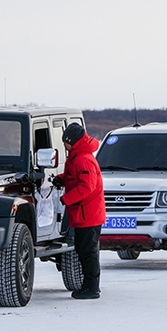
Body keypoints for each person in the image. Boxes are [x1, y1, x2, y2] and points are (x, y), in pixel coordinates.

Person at [53, 123, 106, 300]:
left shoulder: (83, 159)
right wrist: (61, 180)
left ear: (72, 141)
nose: (64, 146)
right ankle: (89, 286)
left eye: (65, 143)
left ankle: (91, 288)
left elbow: (87, 187)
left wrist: (66, 199)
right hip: (83, 215)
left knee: (88, 252)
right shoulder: (76, 157)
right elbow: (74, 177)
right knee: (85, 251)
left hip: (88, 215)